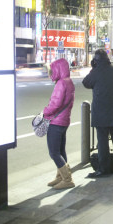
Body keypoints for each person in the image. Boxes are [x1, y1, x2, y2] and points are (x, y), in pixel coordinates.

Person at [83, 49, 113, 177]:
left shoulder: (95, 72)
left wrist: (93, 68)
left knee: (102, 141)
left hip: (101, 113)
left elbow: (86, 82)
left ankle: (103, 168)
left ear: (96, 61)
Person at [43, 58, 75, 189]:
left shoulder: (61, 83)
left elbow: (55, 104)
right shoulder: (69, 82)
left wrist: (44, 112)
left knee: (54, 152)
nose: (50, 74)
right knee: (61, 150)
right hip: (64, 120)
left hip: (56, 122)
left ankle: (67, 179)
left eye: (51, 71)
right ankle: (60, 176)